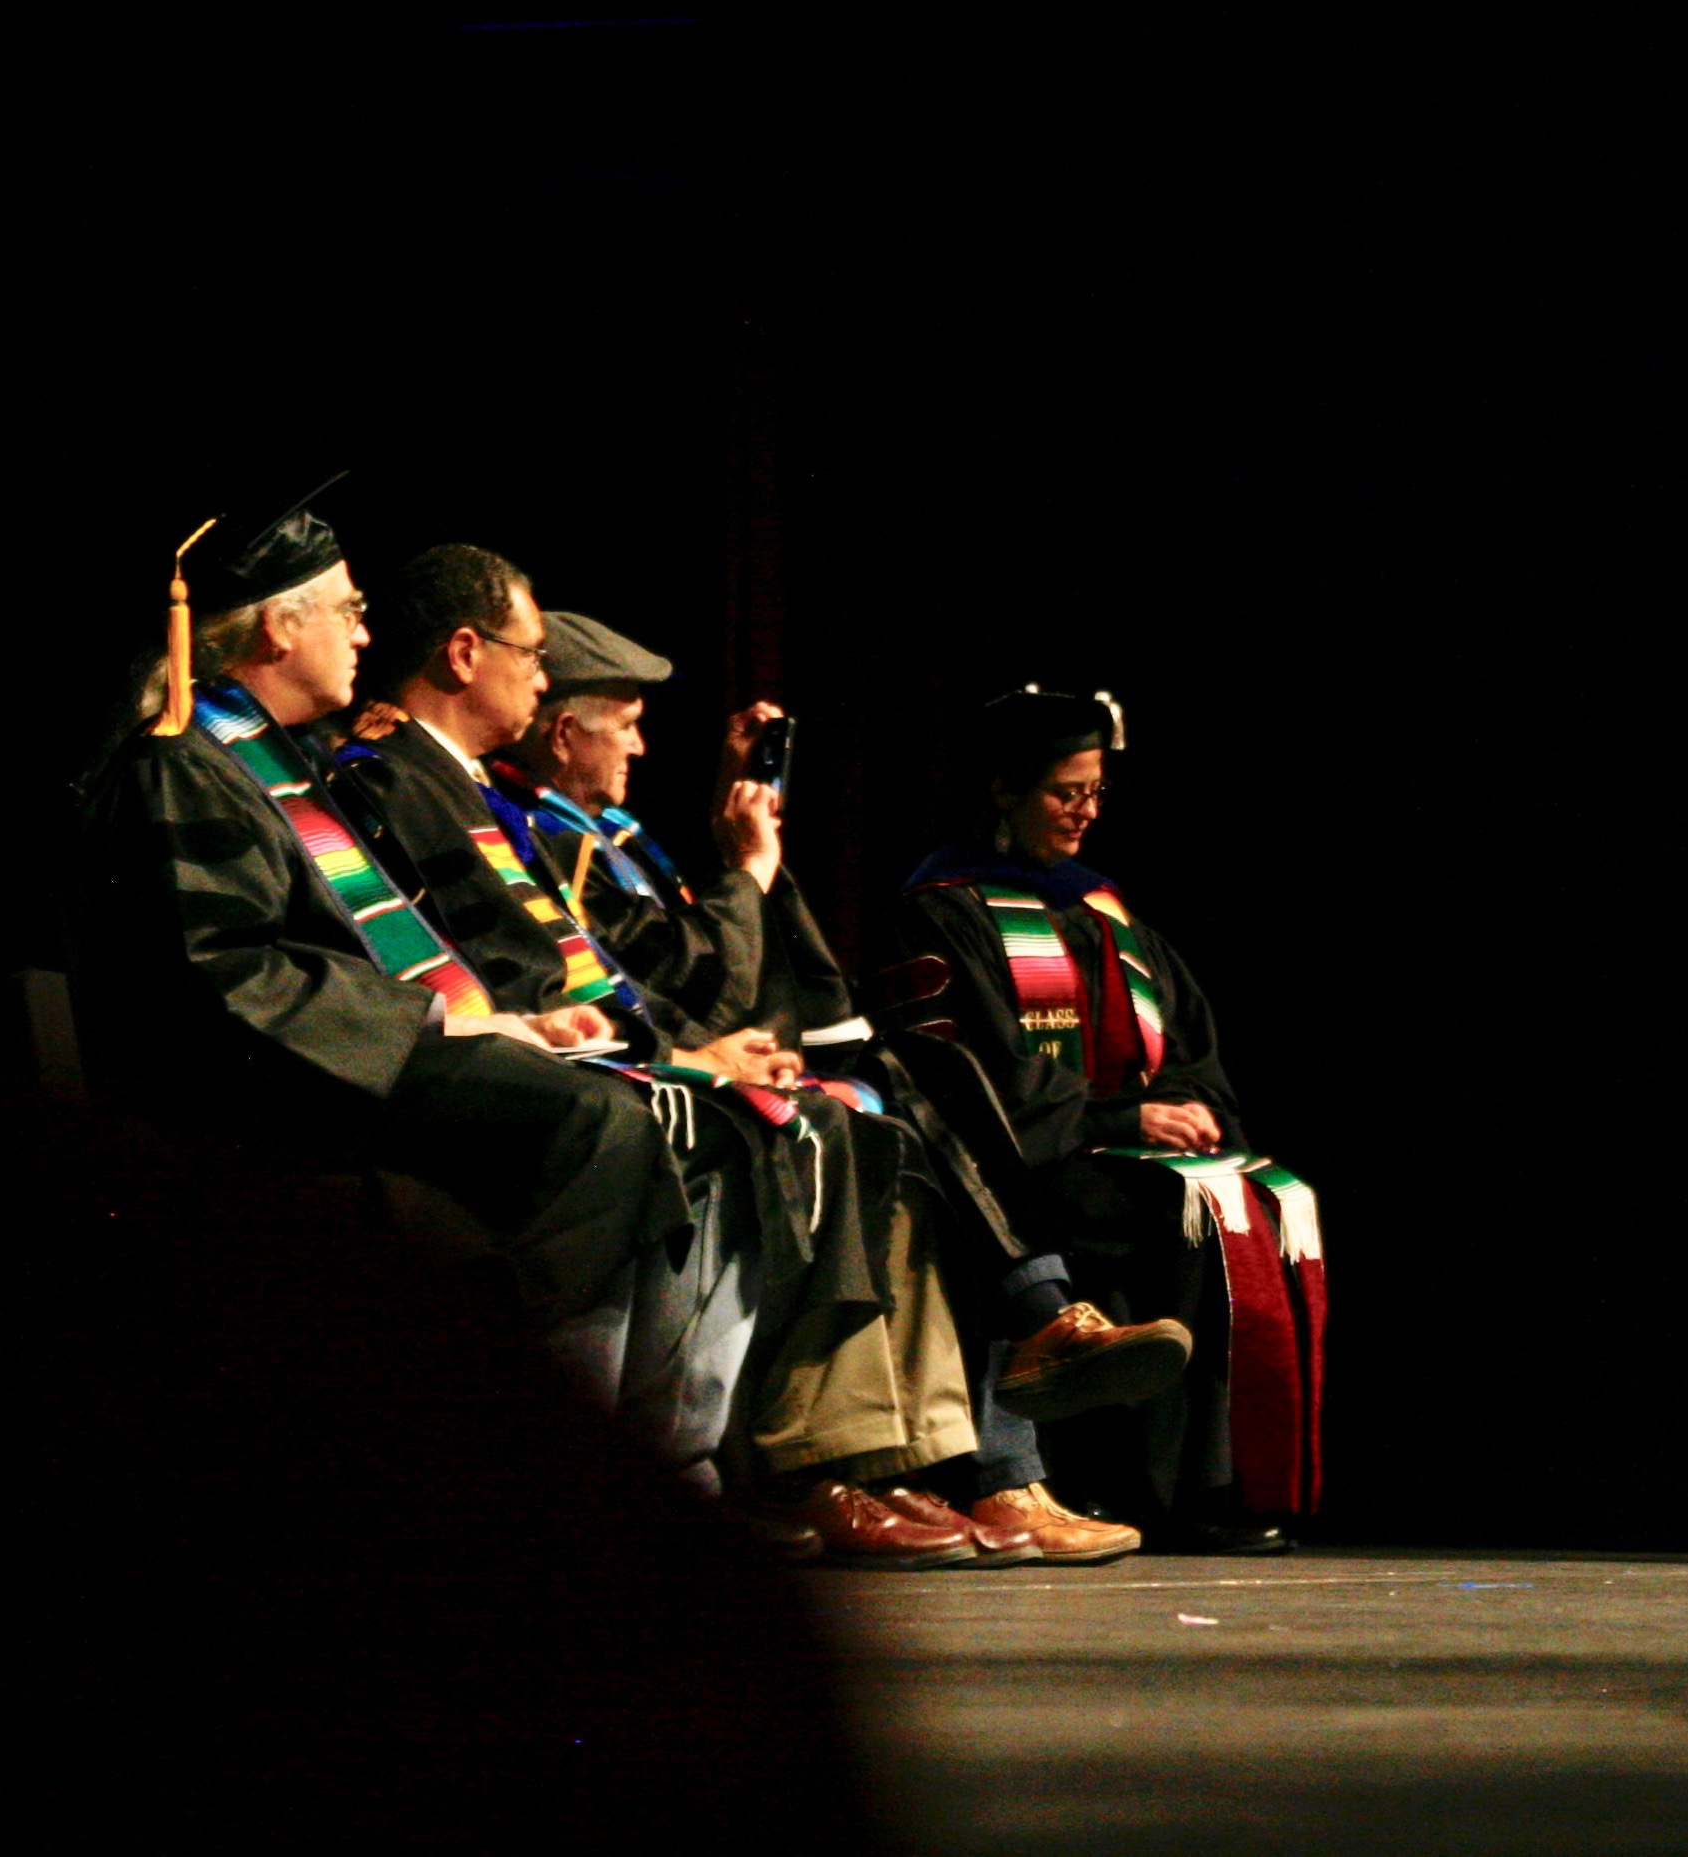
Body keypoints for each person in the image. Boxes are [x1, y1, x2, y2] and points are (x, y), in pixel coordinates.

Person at [334, 548, 1089, 1567]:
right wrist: (716, 960)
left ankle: (922, 1454)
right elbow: (606, 978)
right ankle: (768, 1466)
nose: (544, 677)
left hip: (589, 1055)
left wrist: (727, 952)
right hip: (489, 1080)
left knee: (876, 1104)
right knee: (813, 1122)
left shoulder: (509, 805)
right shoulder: (415, 787)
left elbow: (626, 978)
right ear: (472, 656)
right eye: (537, 662)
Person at [69, 482, 743, 1511]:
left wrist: (494, 1019)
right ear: (276, 627)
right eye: (345, 608)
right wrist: (437, 1024)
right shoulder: (183, 765)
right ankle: (551, 1481)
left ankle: (645, 1470)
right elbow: (229, 970)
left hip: (332, 1058)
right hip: (252, 1089)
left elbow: (366, 954)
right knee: (591, 1120)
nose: (366, 631)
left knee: (651, 1108)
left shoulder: (275, 762)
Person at [494, 613, 1186, 1565]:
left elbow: (689, 952)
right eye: (626, 722)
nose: (643, 744)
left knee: (915, 1102)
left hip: (724, 1053)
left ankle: (993, 1449)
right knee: (909, 1099)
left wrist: (742, 829)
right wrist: (742, 890)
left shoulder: (603, 830)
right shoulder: (533, 834)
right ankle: (994, 1409)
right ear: (565, 732)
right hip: (641, 1071)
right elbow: (677, 975)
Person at [891, 686, 1327, 1553]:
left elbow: (1188, 1040)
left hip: (1119, 1144)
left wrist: (1193, 1106)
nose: (1085, 813)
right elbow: (965, 1076)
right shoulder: (943, 910)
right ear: (1004, 791)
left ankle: (1223, 1484)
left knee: (1258, 1198)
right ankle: (1133, 1485)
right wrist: (1129, 1117)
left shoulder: (1104, 909)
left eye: (1096, 793)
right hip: (1023, 1166)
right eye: (1065, 793)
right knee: (1166, 1212)